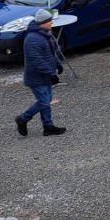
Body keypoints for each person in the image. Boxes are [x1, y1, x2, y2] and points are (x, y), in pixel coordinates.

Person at [15, 9, 66, 137]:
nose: (52, 23)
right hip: (37, 77)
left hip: (45, 75)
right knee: (43, 102)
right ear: (42, 23)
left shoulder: (44, 34)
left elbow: (51, 52)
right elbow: (36, 61)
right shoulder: (33, 39)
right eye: (50, 21)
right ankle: (23, 118)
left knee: (46, 100)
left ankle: (48, 126)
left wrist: (58, 65)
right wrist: (51, 73)